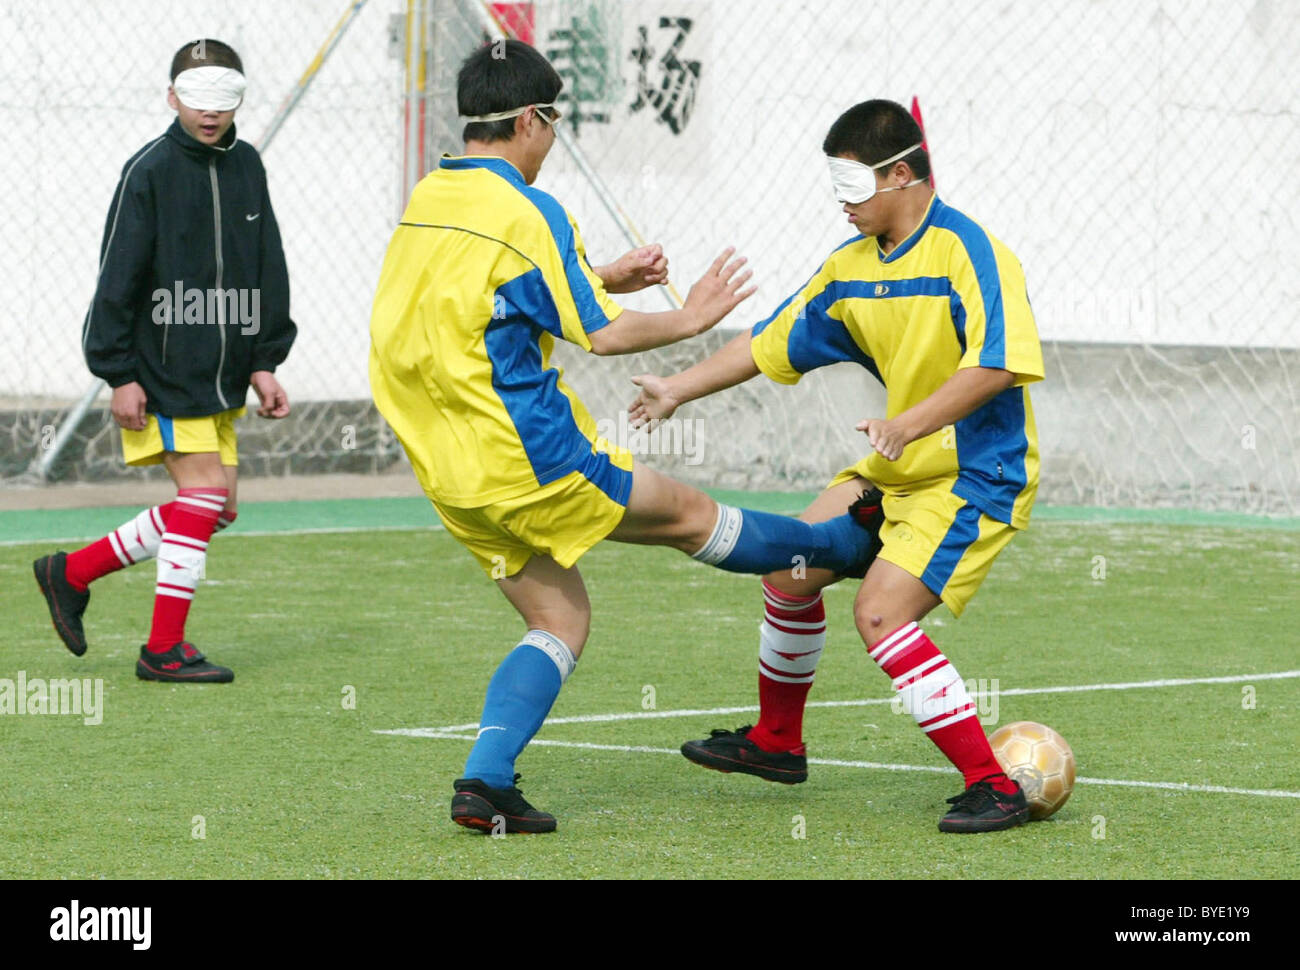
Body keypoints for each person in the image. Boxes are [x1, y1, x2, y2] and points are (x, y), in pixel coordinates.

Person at [368, 40, 882, 834]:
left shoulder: (427, 197)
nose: (552, 141)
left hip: (449, 475)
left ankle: (485, 779)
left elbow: (487, 290)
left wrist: (599, 272)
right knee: (685, 516)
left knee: (560, 621)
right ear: (533, 120)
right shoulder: (528, 210)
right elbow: (602, 337)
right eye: (555, 124)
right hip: (530, 456)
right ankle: (843, 548)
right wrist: (696, 315)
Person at [631, 99, 1045, 833]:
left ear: (902, 174)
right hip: (893, 466)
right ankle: (777, 744)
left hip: (976, 474)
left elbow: (999, 366)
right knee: (789, 573)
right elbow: (768, 342)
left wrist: (908, 424)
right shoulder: (850, 270)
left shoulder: (973, 253)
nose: (842, 206)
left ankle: (995, 784)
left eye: (853, 189)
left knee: (879, 613)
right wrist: (675, 388)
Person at [33, 39, 296, 684]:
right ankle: (163, 649)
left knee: (217, 508)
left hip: (226, 376)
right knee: (202, 495)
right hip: (163, 374)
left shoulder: (248, 165)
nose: (211, 114)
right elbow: (115, 277)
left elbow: (267, 265)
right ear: (173, 96)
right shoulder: (147, 171)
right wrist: (118, 372)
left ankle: (73, 572)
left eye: (223, 101)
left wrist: (264, 360)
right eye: (197, 100)